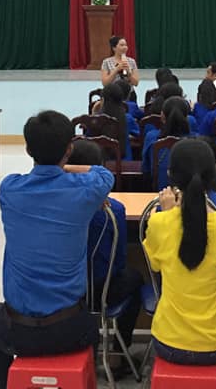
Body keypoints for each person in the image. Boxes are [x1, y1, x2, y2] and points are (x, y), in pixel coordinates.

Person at [0, 111, 114, 389]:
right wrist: (68, 169)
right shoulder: (86, 191)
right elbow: (103, 174)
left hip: (19, 331)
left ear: (28, 149)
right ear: (69, 149)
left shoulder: (10, 189)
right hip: (70, 329)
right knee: (92, 323)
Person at [143, 139, 216, 365]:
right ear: (214, 173)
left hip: (168, 342)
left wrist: (166, 215)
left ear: (170, 175)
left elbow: (155, 266)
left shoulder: (159, 222)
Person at [68, 140, 142, 363]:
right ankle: (120, 350)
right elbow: (118, 261)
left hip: (66, 291)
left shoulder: (56, 206)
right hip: (102, 290)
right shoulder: (113, 209)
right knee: (135, 278)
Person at [142, 96, 193, 189]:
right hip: (188, 194)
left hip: (159, 192)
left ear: (162, 116)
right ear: (186, 117)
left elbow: (145, 169)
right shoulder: (196, 140)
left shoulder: (151, 137)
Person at [97, 81, 138, 161]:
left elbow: (88, 138)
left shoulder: (96, 120)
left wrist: (94, 113)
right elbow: (139, 135)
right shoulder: (127, 118)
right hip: (125, 162)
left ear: (103, 100)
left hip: (100, 162)